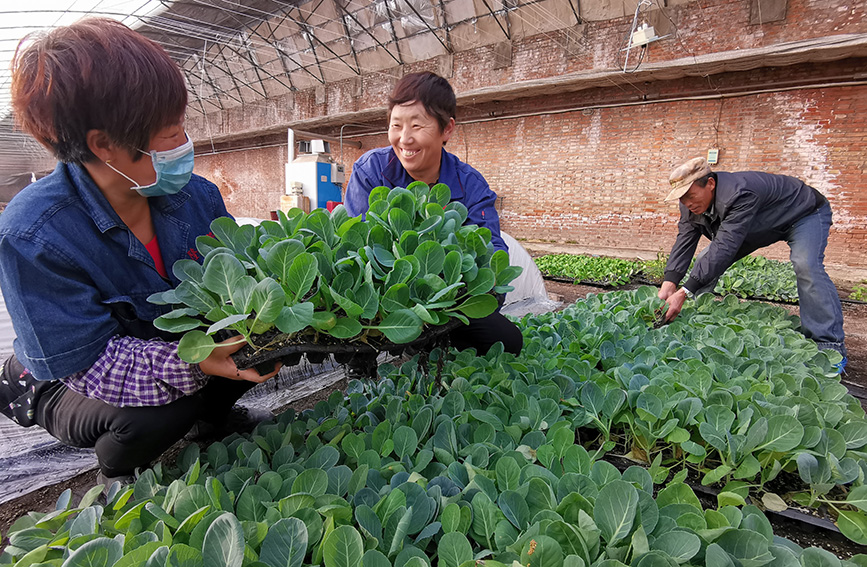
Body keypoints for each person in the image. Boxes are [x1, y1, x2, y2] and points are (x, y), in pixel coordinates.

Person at [0, 18, 279, 486]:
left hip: (165, 346)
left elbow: (235, 285)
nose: (184, 144)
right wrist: (195, 360)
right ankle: (118, 467)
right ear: (103, 145)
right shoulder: (33, 234)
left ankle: (212, 424)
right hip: (66, 376)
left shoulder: (197, 197)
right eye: (170, 132)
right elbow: (91, 367)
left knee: (265, 346)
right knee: (155, 412)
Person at [344, 71, 522, 357]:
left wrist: (448, 301)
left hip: (444, 302)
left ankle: (441, 352)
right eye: (396, 125)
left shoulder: (471, 185)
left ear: (447, 129)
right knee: (347, 307)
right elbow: (356, 244)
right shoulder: (370, 171)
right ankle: (362, 363)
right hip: (383, 301)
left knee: (507, 340)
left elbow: (492, 254)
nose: (404, 139)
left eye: (417, 125)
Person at [658, 156, 846, 368]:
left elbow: (725, 247)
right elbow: (685, 239)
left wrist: (684, 291)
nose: (687, 203)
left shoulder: (740, 193)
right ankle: (690, 315)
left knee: (806, 265)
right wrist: (670, 281)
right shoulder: (689, 206)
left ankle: (829, 344)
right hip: (756, 224)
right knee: (704, 259)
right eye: (682, 199)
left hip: (802, 214)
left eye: (690, 195)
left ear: (710, 183)